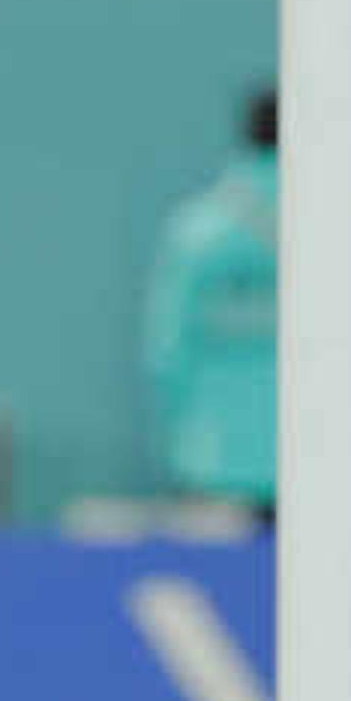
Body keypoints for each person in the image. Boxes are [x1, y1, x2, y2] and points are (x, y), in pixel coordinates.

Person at [141, 90, 277, 514]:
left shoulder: (199, 228)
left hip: (214, 458)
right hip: (324, 453)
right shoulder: (344, 235)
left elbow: (165, 347)